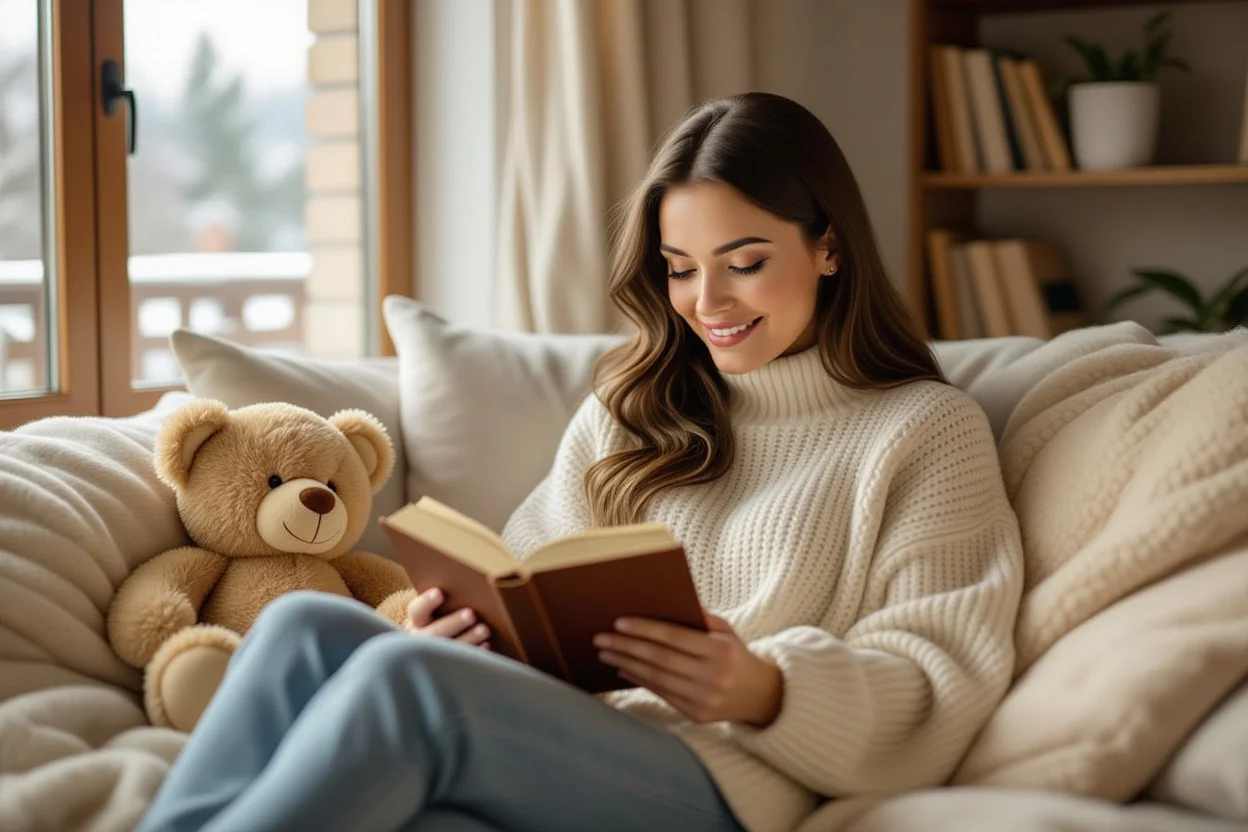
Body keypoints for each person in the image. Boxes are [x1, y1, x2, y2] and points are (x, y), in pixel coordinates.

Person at [137, 92, 1024, 832]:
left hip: (726, 778)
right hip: (561, 734)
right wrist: (450, 628)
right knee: (304, 629)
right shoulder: (634, 408)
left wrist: (765, 687)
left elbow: (938, 673)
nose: (706, 303)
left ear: (829, 247)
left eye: (744, 264)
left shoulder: (922, 430)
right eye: (679, 269)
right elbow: (529, 573)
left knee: (412, 690)